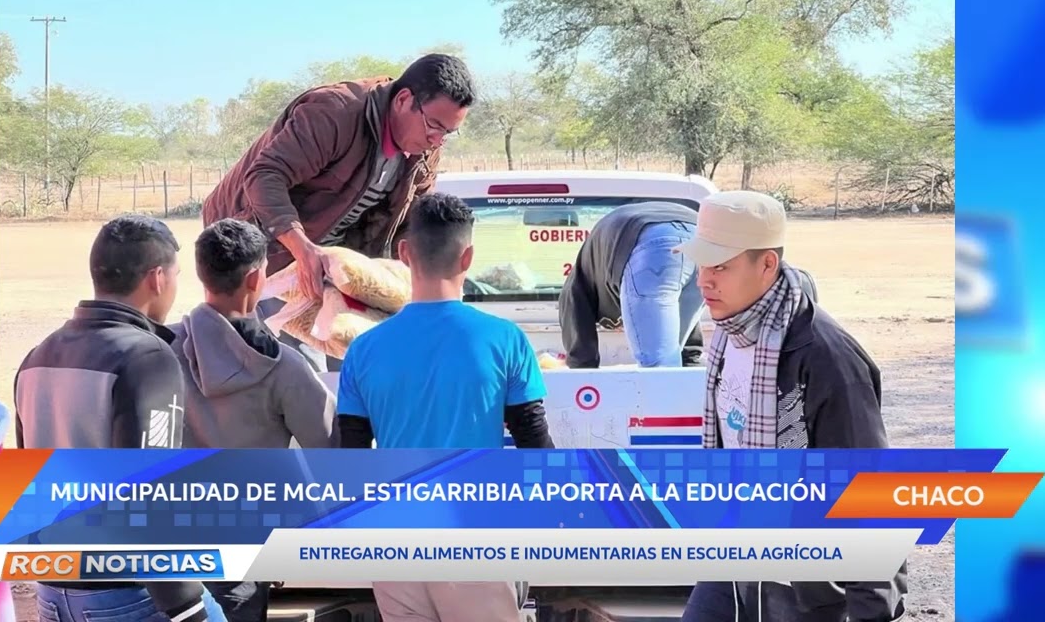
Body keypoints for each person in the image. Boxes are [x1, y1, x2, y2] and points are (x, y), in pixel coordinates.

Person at [676, 190, 906, 622]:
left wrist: (873, 610)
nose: (704, 281)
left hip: (804, 584)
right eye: (701, 264)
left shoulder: (827, 358)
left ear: (767, 264)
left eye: (720, 266)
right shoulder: (729, 332)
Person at [335, 193, 551, 622]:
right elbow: (535, 443)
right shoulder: (504, 339)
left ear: (403, 254)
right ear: (467, 257)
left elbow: (352, 460)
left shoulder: (362, 350)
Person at [202, 54, 477, 373]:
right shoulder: (334, 112)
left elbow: (413, 219)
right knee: (302, 369)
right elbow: (264, 177)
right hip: (269, 248)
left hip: (336, 262)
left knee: (358, 361)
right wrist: (303, 251)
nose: (437, 140)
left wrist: (421, 280)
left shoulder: (427, 147)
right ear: (403, 100)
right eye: (434, 126)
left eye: (448, 133)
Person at [13, 214, 225, 622]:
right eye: (176, 275)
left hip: (53, 592)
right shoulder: (147, 358)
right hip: (128, 595)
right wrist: (187, 607)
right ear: (157, 278)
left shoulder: (37, 357)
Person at [167, 218, 340, 621]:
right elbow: (332, 449)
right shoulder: (283, 366)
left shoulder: (162, 348)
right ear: (256, 278)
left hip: (171, 545)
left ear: (201, 272)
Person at [558, 201, 709, 369]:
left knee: (659, 367)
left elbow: (580, 354)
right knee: (674, 360)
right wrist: (690, 361)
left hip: (653, 242)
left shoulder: (576, 285)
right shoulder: (596, 264)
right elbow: (677, 319)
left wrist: (584, 372)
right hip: (702, 238)